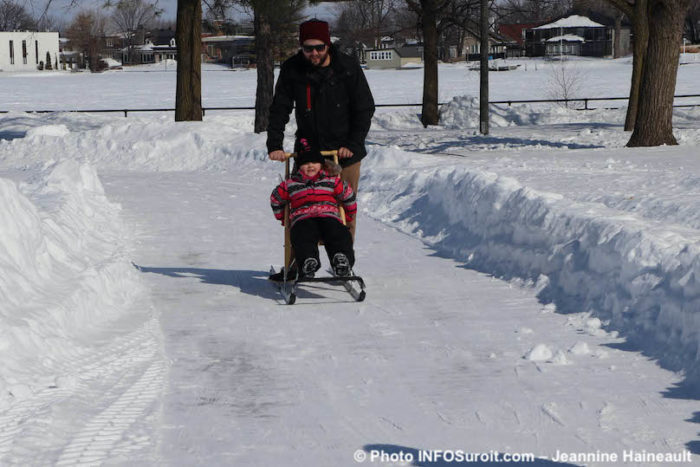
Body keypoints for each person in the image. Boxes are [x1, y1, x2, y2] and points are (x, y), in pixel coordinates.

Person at [267, 18, 375, 242]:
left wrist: (352, 144)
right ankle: (298, 262)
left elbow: (364, 108)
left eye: (319, 47)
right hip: (309, 151)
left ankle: (343, 260)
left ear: (328, 45)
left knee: (345, 208)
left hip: (345, 151)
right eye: (308, 48)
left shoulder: (346, 67)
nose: (314, 53)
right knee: (300, 208)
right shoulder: (292, 69)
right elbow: (280, 108)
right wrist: (275, 145)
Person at [270, 143, 357, 279]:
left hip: (328, 216)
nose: (310, 166)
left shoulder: (331, 180)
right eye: (305, 163)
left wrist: (349, 214)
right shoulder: (291, 184)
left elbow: (348, 195)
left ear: (322, 165)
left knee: (339, 233)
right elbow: (275, 199)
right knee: (302, 235)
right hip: (302, 218)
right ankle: (308, 262)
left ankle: (341, 260)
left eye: (314, 162)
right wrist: (283, 218)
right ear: (299, 166)